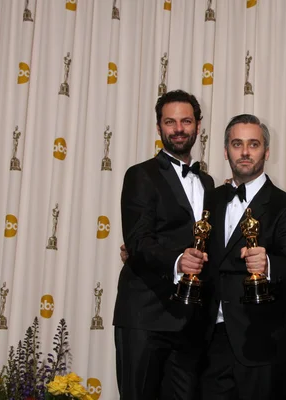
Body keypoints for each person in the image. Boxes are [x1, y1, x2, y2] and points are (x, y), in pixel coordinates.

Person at [113, 89, 215, 400]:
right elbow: (138, 241)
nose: (179, 129)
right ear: (159, 128)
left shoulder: (208, 183)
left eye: (186, 121)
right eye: (170, 122)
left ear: (198, 125)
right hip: (146, 316)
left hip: (190, 321)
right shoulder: (140, 175)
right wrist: (177, 261)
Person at [199, 114, 286, 400]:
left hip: (261, 345)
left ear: (266, 152)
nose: (245, 152)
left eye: (253, 144)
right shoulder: (209, 200)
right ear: (226, 151)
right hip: (208, 343)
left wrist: (268, 264)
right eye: (237, 144)